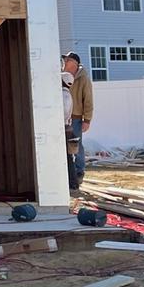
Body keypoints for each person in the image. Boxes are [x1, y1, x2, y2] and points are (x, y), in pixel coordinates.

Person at [63, 52, 93, 193]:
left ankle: (79, 172)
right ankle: (68, 174)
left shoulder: (83, 79)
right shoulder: (62, 76)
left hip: (75, 117)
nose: (64, 62)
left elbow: (88, 99)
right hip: (62, 117)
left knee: (76, 144)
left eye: (67, 60)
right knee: (64, 147)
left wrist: (86, 119)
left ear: (74, 63)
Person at [61, 69, 80, 194]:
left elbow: (63, 113)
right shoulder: (67, 94)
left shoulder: (64, 95)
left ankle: (72, 183)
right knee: (68, 157)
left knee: (67, 157)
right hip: (68, 128)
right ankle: (73, 182)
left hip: (64, 129)